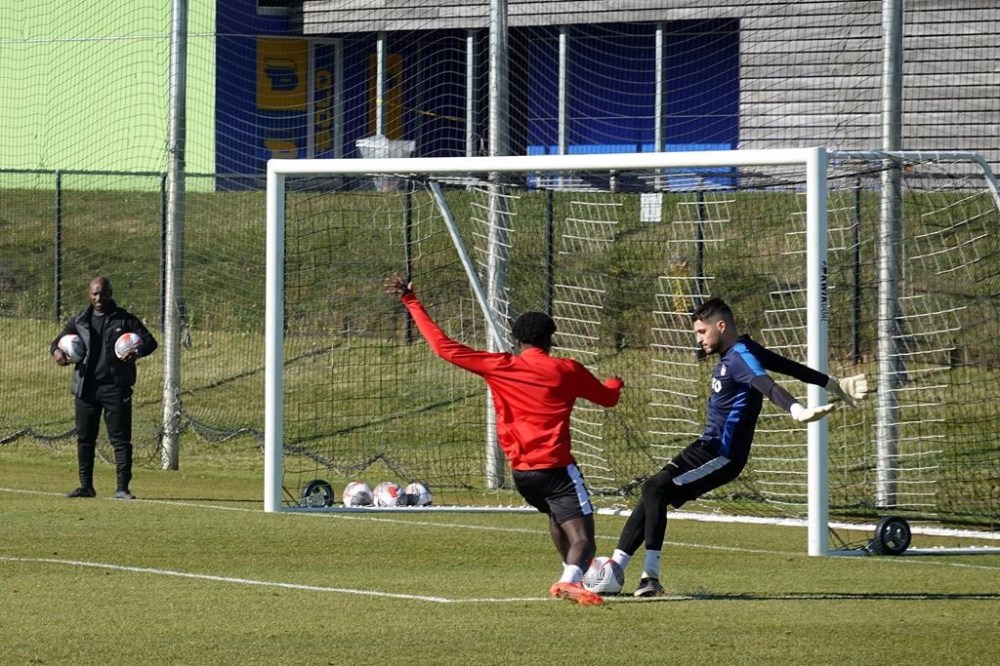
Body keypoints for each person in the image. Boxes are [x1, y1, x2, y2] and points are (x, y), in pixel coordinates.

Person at [385, 276, 624, 606]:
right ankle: (571, 579)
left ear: (516, 340)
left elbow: (443, 347)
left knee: (557, 518)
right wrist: (614, 383)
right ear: (548, 339)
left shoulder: (501, 366)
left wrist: (411, 300)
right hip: (556, 469)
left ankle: (569, 574)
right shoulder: (567, 370)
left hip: (522, 474)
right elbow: (608, 399)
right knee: (584, 537)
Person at [606, 297, 868, 597]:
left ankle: (649, 578)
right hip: (705, 446)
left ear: (721, 325)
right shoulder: (741, 351)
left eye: (702, 332)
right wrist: (833, 384)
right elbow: (790, 367)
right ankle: (614, 568)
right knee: (653, 492)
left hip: (722, 454)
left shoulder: (741, 356)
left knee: (655, 488)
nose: (699, 339)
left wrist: (795, 409)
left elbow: (764, 382)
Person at [50, 276, 158, 500]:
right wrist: (58, 353)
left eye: (103, 293)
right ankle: (86, 486)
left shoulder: (124, 319)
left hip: (115, 388)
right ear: (89, 294)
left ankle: (122, 488)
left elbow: (150, 342)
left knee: (120, 439)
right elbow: (56, 343)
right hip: (86, 388)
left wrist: (136, 352)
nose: (99, 298)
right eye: (95, 293)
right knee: (85, 438)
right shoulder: (79, 321)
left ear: (111, 293)